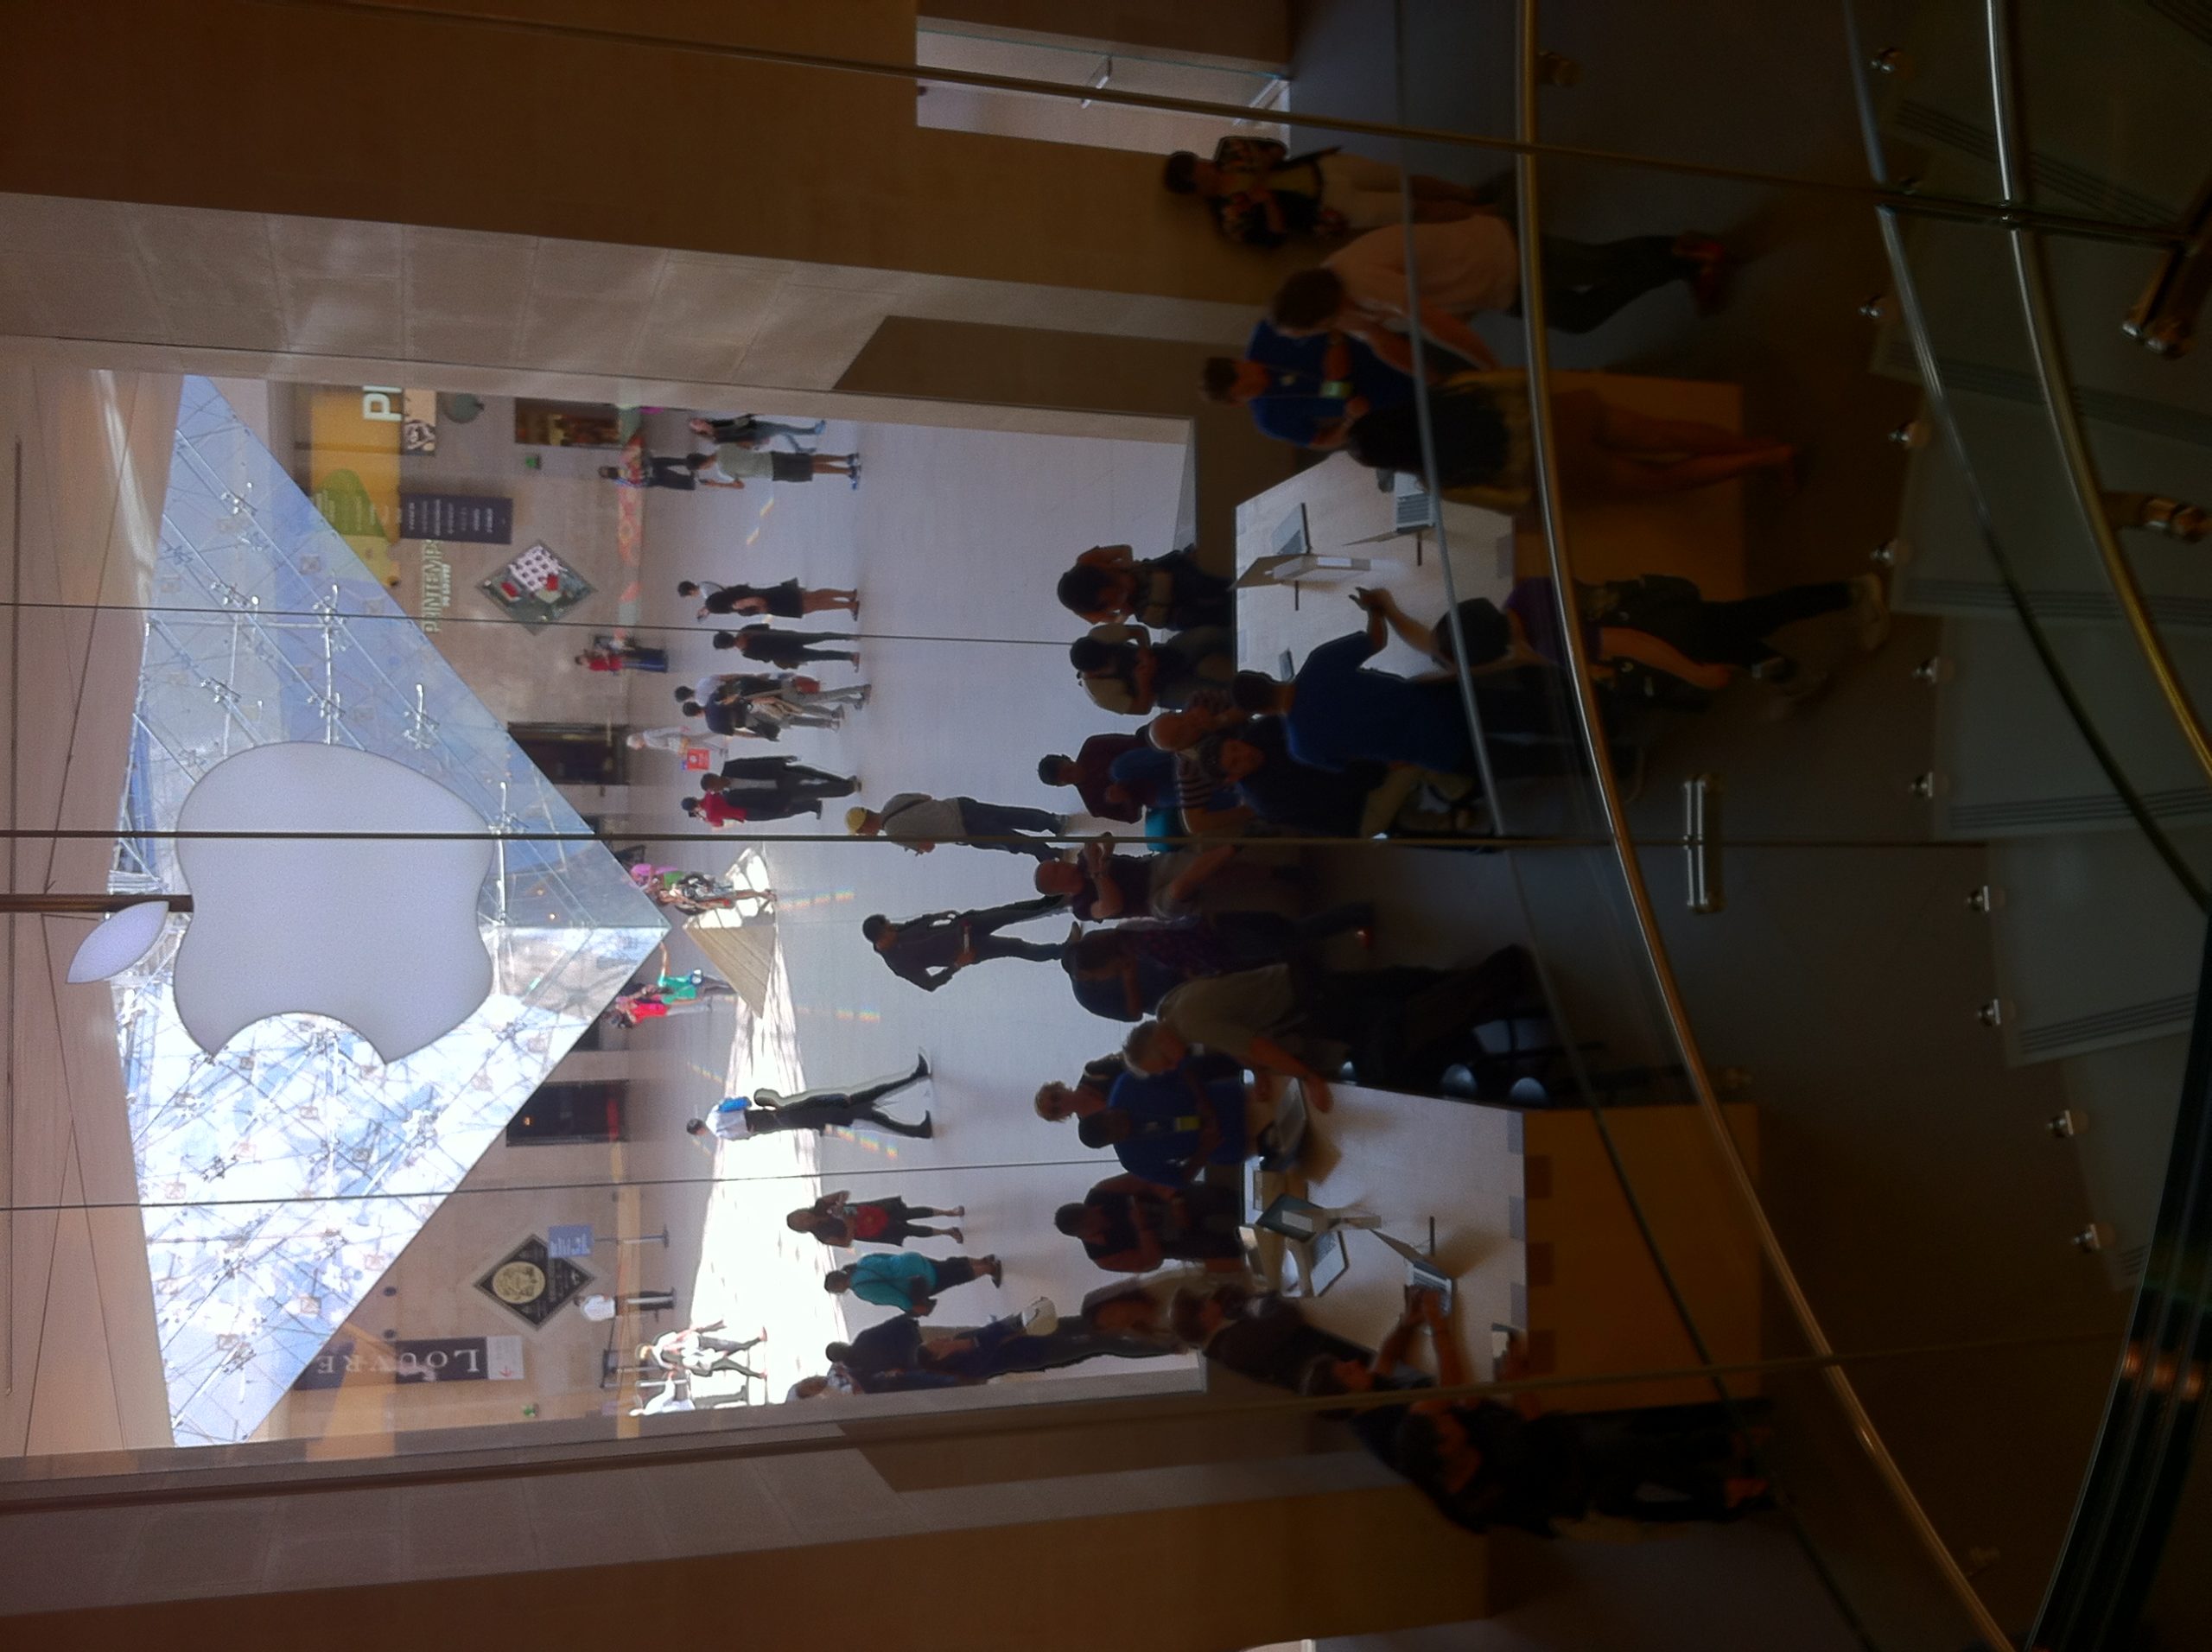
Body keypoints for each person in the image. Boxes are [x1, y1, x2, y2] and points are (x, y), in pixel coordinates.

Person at [1267, 218, 1728, 378]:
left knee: (1600, 264)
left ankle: (1687, 253)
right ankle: (1683, 259)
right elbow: (1380, 340)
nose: (1313, 337)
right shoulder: (1339, 309)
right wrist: (1431, 378)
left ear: (1318, 314)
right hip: (1490, 287)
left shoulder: (1357, 280)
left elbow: (1434, 324)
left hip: (1500, 252)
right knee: (1581, 315)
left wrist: (1489, 367)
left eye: (1307, 331)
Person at [1229, 594, 1582, 778]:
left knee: (1525, 762)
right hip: (1440, 703)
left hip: (1433, 751)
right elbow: (1376, 639)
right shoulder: (1319, 662)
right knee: (1529, 713)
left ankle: (1600, 764)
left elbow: (1360, 762)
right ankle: (1596, 720)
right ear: (1264, 674)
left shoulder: (1302, 748)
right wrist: (1374, 608)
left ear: (1260, 713)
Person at [1128, 944, 1544, 1100]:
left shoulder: (1190, 1027)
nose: (1173, 1066)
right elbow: (1235, 1037)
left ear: (1159, 1044)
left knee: (1391, 1021)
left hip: (1306, 1000)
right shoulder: (1169, 1009)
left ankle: (1492, 981)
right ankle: (1476, 981)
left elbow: (1257, 1045)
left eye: (1163, 1063)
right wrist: (1259, 1071)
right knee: (1390, 988)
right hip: (1293, 977)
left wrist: (1308, 1077)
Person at [1484, 572, 1889, 696]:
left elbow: (1633, 644)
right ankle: (1792, 677)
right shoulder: (1523, 592)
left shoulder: (1546, 641)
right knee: (1741, 637)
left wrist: (1693, 674)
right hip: (1660, 607)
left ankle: (1852, 593)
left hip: (1672, 633)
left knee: (1760, 616)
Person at [1163, 137, 1484, 245]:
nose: (1206, 165)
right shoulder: (1230, 218)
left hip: (1325, 168)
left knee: (1404, 180)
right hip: (1328, 208)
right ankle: (1482, 215)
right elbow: (1275, 238)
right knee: (1411, 210)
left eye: (1198, 160)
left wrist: (1265, 164)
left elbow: (1278, 147)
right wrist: (1268, 202)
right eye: (1199, 170)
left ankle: (1469, 194)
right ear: (1195, 187)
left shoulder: (1230, 149)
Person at [1076, 1050, 1306, 1185]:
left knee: (1299, 1104)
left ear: (1104, 1111)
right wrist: (1204, 1150)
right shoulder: (1132, 1159)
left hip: (1237, 1101)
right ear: (1112, 1143)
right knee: (1299, 1148)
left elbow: (1180, 1067)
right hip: (1232, 1143)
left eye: (1115, 1118)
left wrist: (1201, 1101)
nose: (1124, 1124)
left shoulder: (1127, 1085)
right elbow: (1180, 1179)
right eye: (1119, 1133)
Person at [1200, 319, 1415, 452]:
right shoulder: (1269, 419)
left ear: (1237, 361)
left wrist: (1336, 344)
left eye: (1249, 373)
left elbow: (1328, 312)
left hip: (1388, 350)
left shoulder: (1269, 331)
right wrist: (1350, 420)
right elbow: (1320, 440)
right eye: (1249, 390)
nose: (1258, 381)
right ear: (1237, 403)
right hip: (1388, 403)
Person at [686, 1055, 934, 1141]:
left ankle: (917, 1120)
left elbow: (748, 1134)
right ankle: (917, 1122)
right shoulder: (717, 1111)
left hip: (827, 1117)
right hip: (836, 1111)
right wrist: (836, 1100)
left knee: (877, 1116)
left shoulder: (725, 1134)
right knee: (877, 1110)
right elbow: (742, 1103)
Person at [861, 899, 1070, 992]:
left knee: (1010, 913)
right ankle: (1064, 950)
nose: (894, 928)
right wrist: (957, 965)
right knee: (1016, 947)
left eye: (890, 925)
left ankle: (1057, 903)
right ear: (881, 941)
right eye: (889, 930)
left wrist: (936, 917)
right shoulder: (899, 964)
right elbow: (929, 984)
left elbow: (913, 924)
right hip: (968, 949)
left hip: (964, 926)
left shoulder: (893, 931)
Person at [1054, 1174, 1248, 1273]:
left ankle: (1256, 1203)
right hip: (1172, 1242)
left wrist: (1175, 1201)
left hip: (1172, 1202)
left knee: (1215, 1198)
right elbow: (1150, 1262)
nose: (1098, 1213)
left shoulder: (1102, 1192)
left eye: (1092, 1211)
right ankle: (1255, 1245)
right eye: (1091, 1222)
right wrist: (1143, 1229)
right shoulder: (1103, 1257)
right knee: (1218, 1249)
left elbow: (1147, 1179)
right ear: (1084, 1235)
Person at [1033, 839, 1239, 923]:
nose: (1063, 864)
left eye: (1057, 863)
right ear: (1057, 887)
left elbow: (1106, 840)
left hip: (1151, 869)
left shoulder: (1083, 862)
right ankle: (1232, 848)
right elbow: (1112, 906)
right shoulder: (1081, 907)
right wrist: (1097, 873)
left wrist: (1100, 852)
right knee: (1178, 890)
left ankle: (1236, 851)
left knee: (1194, 865)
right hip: (1152, 902)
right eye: (1057, 870)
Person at [1056, 543, 1232, 632]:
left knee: (1198, 582)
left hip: (1151, 574)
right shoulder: (1087, 609)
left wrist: (1128, 565)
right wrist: (1124, 612)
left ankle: (1230, 584)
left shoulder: (1088, 560)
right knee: (1188, 620)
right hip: (1148, 604)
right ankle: (1227, 618)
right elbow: (1115, 622)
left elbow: (1124, 549)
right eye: (1107, 601)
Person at [1071, 624, 1236, 716]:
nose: (1112, 662)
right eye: (1107, 665)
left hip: (1164, 655)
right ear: (1092, 673)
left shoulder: (1099, 635)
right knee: (1212, 697)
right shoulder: (1100, 694)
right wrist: (1144, 682)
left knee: (1208, 634)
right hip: (1160, 691)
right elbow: (1141, 709)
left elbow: (1138, 631)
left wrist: (1144, 651)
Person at [848, 793, 1068, 862]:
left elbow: (928, 845)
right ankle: (1052, 822)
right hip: (960, 805)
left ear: (864, 826)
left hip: (964, 829)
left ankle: (1051, 854)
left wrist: (919, 846)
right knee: (1009, 816)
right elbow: (926, 797)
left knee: (1010, 841)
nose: (864, 835)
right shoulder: (893, 801)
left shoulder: (893, 834)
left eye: (861, 832)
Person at [824, 1250, 1002, 1315]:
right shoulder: (861, 1262)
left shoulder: (861, 1289)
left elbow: (892, 1296)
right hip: (910, 1260)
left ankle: (990, 1269)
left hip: (916, 1280)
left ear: (839, 1286)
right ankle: (982, 1261)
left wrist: (912, 1307)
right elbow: (888, 1257)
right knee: (948, 1265)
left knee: (954, 1277)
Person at [788, 1191, 965, 1249]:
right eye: (800, 1223)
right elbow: (845, 1243)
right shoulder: (822, 1236)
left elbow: (844, 1193)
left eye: (800, 1215)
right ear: (803, 1229)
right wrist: (849, 1227)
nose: (804, 1219)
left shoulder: (820, 1204)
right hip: (869, 1231)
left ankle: (948, 1212)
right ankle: (947, 1232)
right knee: (910, 1231)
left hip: (868, 1211)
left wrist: (840, 1204)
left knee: (910, 1213)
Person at [1037, 734, 1148, 823]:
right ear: (1061, 785)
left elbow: (1134, 742)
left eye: (1069, 770)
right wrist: (1126, 798)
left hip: (1147, 755)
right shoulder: (1093, 804)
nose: (1074, 776)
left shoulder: (1092, 746)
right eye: (1067, 779)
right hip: (1149, 788)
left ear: (1067, 759)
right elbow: (1132, 817)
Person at [698, 441, 860, 487]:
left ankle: (848, 472)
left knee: (810, 469)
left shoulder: (723, 471)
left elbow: (739, 485)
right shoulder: (723, 447)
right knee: (809, 460)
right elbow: (747, 444)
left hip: (771, 471)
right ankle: (846, 458)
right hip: (771, 457)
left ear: (704, 466)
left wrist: (718, 485)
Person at [679, 579, 859, 619]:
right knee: (813, 595)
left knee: (813, 606)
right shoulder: (729, 592)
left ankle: (848, 606)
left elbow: (754, 603)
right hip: (772, 592)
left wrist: (762, 609)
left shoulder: (732, 604)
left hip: (774, 603)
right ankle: (847, 594)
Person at [642, 1320, 764, 1380]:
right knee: (728, 1350)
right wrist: (691, 1330)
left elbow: (677, 1368)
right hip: (697, 1346)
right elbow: (678, 1336)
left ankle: (754, 1344)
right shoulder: (663, 1344)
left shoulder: (663, 1362)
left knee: (729, 1360)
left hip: (702, 1363)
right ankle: (756, 1343)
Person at [1033, 1052, 1128, 1123]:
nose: (1061, 1104)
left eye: (1056, 1097)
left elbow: (1131, 1062)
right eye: (1056, 1110)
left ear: (1059, 1087)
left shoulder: (1092, 1073)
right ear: (1061, 1117)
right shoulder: (1091, 1127)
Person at [713, 625, 859, 669]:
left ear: (727, 647)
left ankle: (850, 656)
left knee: (820, 655)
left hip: (787, 654)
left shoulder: (746, 652)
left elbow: (766, 659)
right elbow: (766, 627)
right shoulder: (745, 631)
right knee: (819, 636)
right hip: (787, 637)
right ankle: (847, 636)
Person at [690, 413, 826, 447]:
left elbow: (733, 421)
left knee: (782, 428)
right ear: (698, 431)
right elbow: (737, 441)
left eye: (696, 419)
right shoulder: (716, 438)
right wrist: (758, 442)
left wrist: (750, 415)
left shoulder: (714, 423)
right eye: (695, 424)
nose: (698, 421)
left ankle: (801, 444)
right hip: (755, 434)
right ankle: (813, 431)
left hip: (753, 425)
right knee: (783, 428)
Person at [599, 452, 699, 489]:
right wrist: (644, 477)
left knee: (662, 463)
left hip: (646, 469)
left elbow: (632, 464)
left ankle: (685, 463)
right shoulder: (618, 480)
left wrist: (639, 463)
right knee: (667, 479)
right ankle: (688, 482)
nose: (608, 471)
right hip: (647, 479)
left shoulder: (618, 468)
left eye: (607, 469)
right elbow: (634, 484)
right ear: (607, 476)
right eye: (606, 472)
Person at [575, 634, 669, 672]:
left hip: (618, 656)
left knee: (640, 657)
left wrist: (601, 652)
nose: (584, 656)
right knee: (640, 663)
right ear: (582, 662)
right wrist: (605, 655)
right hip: (618, 663)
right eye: (582, 658)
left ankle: (659, 658)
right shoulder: (593, 666)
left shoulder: (592, 657)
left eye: (583, 656)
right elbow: (607, 666)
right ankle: (660, 665)